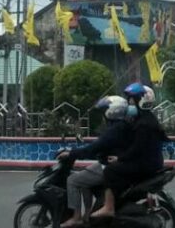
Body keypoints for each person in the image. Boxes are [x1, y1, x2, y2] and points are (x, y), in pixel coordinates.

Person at [91, 83, 169, 219]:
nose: (129, 102)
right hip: (149, 161)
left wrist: (120, 158)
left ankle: (109, 207)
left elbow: (137, 149)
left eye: (132, 99)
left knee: (110, 170)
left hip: (146, 164)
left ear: (141, 101)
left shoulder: (144, 124)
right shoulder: (143, 119)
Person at [56, 96, 131, 227]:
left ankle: (76, 217)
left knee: (72, 180)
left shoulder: (114, 130)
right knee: (84, 179)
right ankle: (88, 215)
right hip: (109, 164)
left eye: (104, 112)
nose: (103, 116)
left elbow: (93, 148)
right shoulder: (121, 126)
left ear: (111, 112)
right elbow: (97, 146)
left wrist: (71, 153)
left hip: (107, 167)